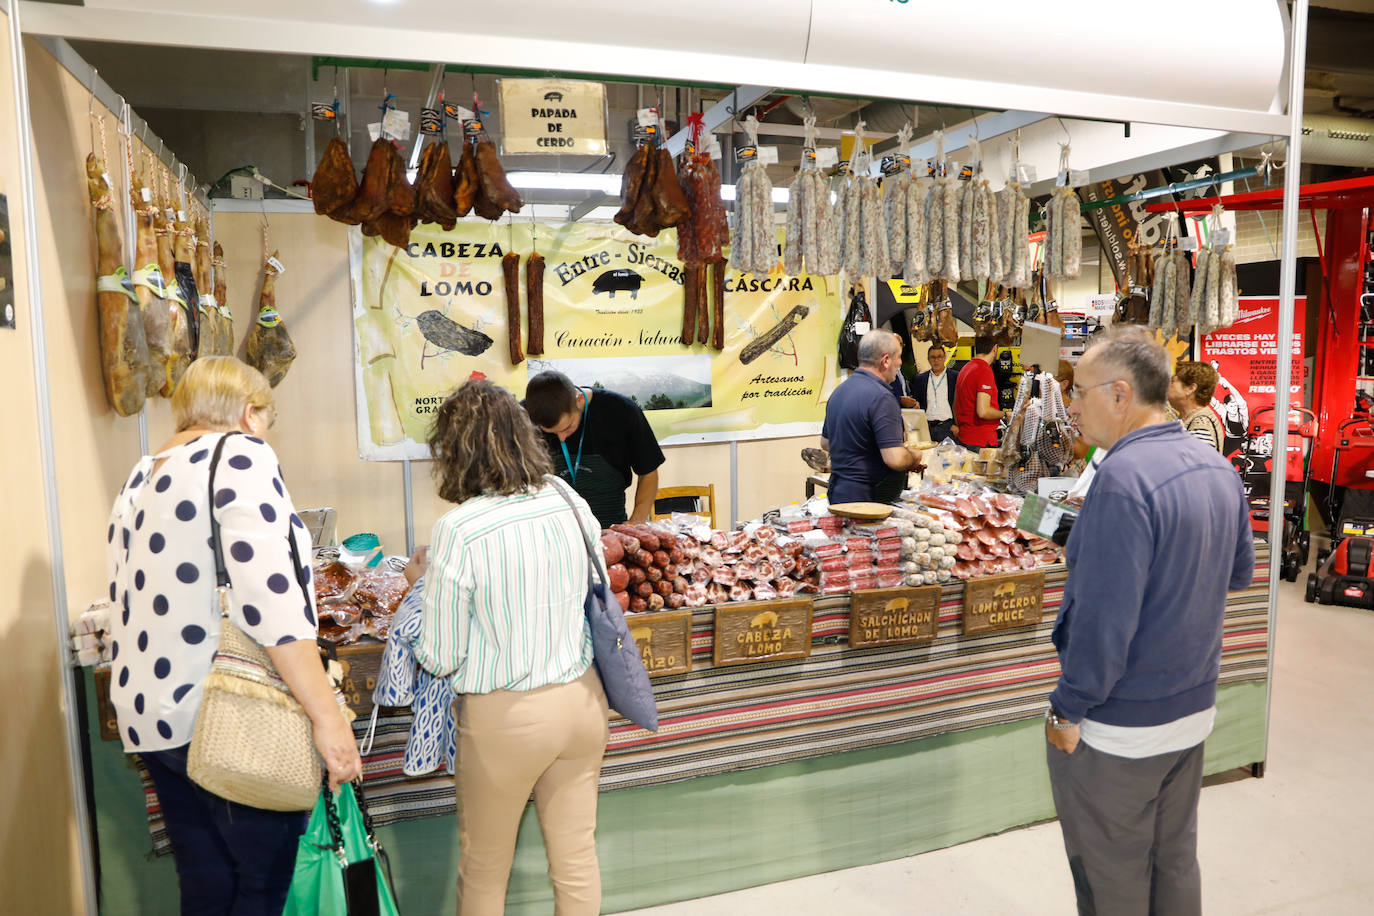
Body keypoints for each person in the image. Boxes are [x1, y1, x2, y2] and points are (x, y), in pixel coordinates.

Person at [104, 357, 361, 916]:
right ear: (249, 412)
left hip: (153, 715)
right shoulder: (240, 455)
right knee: (262, 888)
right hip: (227, 714)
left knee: (207, 886)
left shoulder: (143, 472)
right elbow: (272, 603)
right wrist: (329, 718)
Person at [1046, 328, 1254, 916]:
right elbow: (1239, 572)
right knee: (1174, 859)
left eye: (1078, 391)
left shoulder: (1122, 481)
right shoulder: (1213, 465)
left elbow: (1102, 623)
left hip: (1122, 726)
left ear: (1120, 394)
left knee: (1111, 873)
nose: (1071, 405)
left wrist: (1067, 708)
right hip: (1192, 708)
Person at [411, 379, 609, 916]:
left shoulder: (459, 528)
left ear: (456, 450)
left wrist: (421, 588)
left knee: (484, 870)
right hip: (583, 702)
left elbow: (440, 655)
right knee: (575, 858)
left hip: (506, 718)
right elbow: (597, 590)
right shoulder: (568, 498)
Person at [524, 370, 665, 530]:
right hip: (554, 532)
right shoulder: (522, 417)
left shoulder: (622, 411)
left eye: (567, 428)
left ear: (578, 400)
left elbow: (648, 472)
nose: (561, 438)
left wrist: (637, 521)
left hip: (610, 530)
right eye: (552, 433)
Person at [820, 329, 927, 503]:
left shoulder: (839, 391)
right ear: (885, 361)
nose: (900, 363)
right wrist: (914, 456)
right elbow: (895, 459)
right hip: (866, 501)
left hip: (838, 493)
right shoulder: (882, 397)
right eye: (899, 357)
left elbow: (826, 443)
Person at [953, 335, 1008, 448]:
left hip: (965, 438)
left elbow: (955, 405)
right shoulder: (984, 370)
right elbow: (983, 411)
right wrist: (1005, 414)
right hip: (981, 441)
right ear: (995, 348)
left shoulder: (965, 368)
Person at [1169, 361, 1226, 453]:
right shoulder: (1189, 418)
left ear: (1190, 388)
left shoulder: (1201, 424)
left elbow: (1196, 460)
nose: (1167, 385)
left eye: (1172, 381)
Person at [914, 342, 959, 443]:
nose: (936, 360)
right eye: (933, 357)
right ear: (928, 359)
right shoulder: (920, 379)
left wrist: (957, 425)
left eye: (939, 357)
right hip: (927, 427)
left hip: (948, 427)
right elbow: (917, 403)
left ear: (944, 358)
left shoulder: (955, 377)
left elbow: (961, 403)